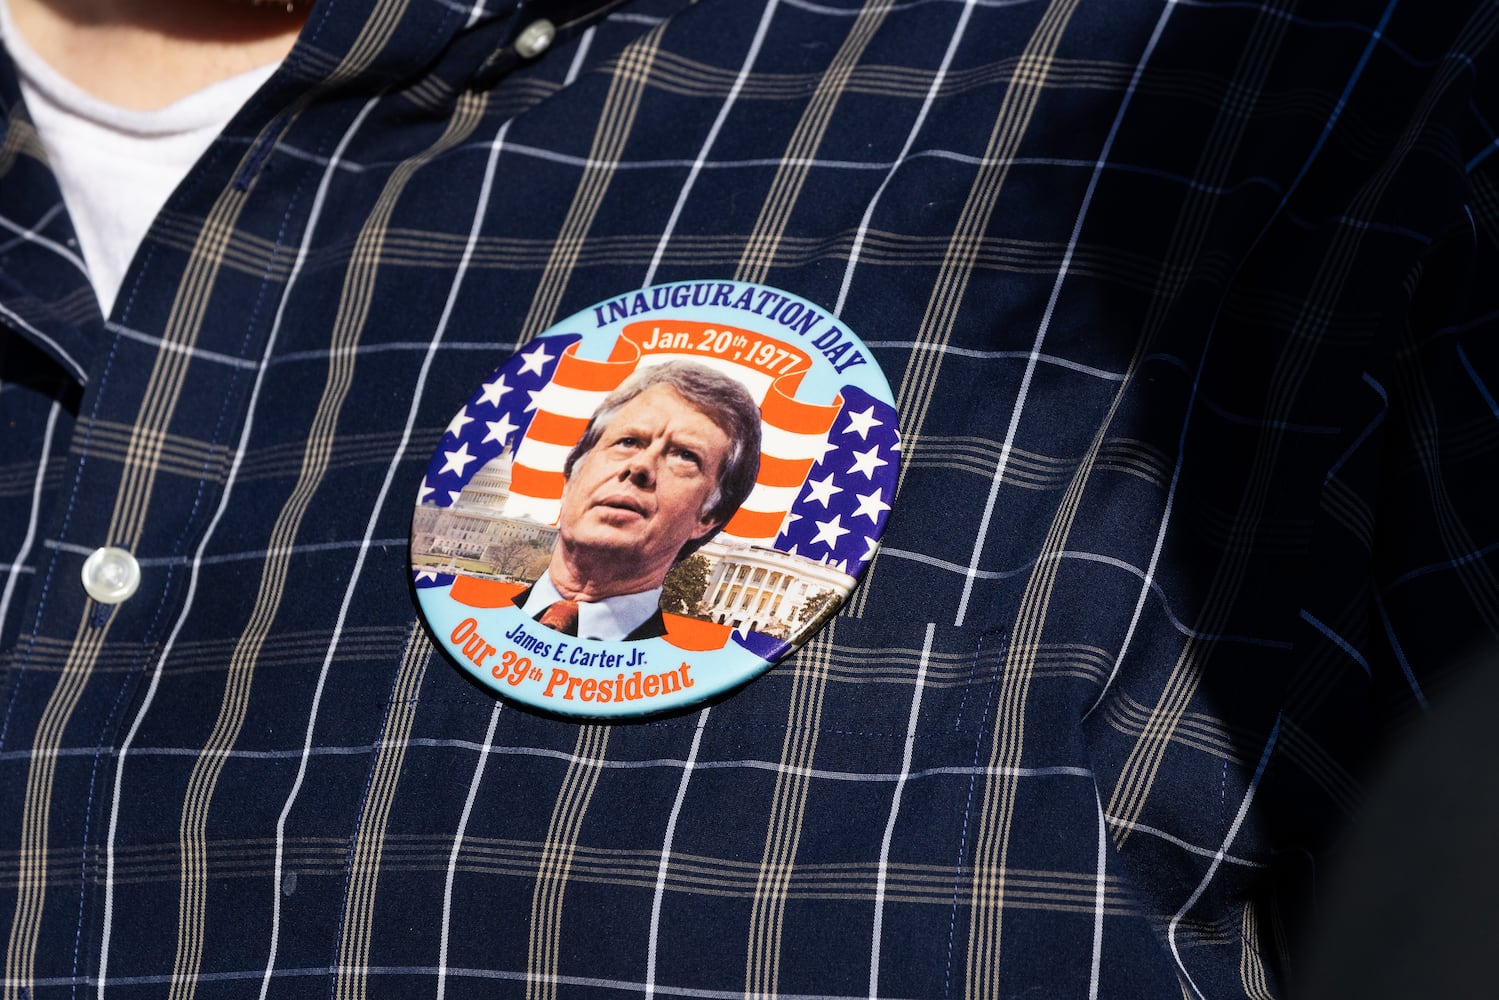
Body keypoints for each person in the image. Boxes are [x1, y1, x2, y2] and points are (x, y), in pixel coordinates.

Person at [1, 1, 1497, 998]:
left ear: (719, 511)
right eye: (618, 448)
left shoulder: (1266, 103)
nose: (636, 468)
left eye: (674, 462)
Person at [515, 360, 761, 640]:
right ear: (571, 479)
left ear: (708, 516)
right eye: (628, 442)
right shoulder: (470, 609)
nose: (641, 466)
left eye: (684, 455)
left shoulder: (688, 667)